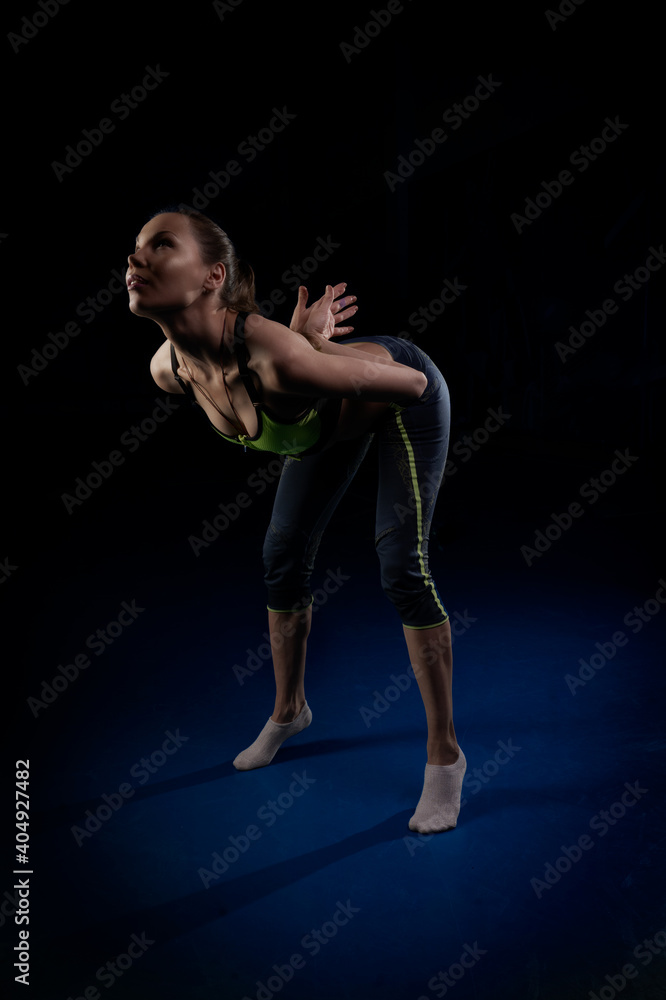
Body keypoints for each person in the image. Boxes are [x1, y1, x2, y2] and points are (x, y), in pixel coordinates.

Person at [127, 208, 466, 834]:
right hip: (318, 430)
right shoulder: (168, 371)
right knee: (280, 559)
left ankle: (445, 757)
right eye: (135, 247)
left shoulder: (278, 359)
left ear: (211, 277)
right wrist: (300, 352)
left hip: (399, 399)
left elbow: (415, 384)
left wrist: (311, 347)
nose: (135, 259)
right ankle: (290, 711)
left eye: (161, 245)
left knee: (400, 567)